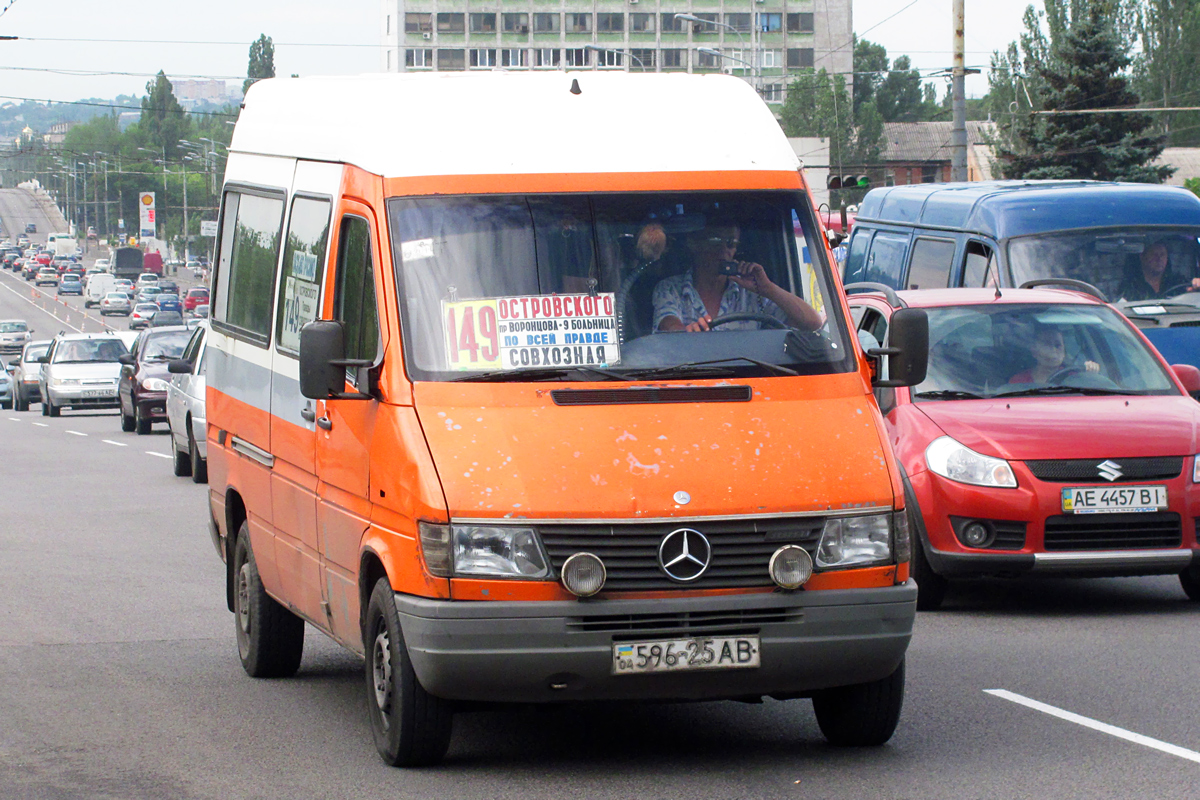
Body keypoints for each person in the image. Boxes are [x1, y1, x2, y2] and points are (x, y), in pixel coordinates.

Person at [652, 220, 822, 333]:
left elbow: (812, 323)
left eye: (731, 243)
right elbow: (668, 327)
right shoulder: (670, 288)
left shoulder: (752, 295)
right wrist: (687, 332)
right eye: (716, 240)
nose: (724, 249)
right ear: (694, 244)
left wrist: (768, 288)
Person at [1008, 324, 1099, 384]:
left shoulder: (1075, 378)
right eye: (1047, 344)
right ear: (1034, 351)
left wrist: (1091, 375)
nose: (1053, 350)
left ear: (1064, 351)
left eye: (1058, 345)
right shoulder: (1018, 382)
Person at [1117, 241, 1200, 301]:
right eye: (1154, 254)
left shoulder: (1178, 282)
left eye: (1162, 254)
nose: (1159, 259)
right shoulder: (1130, 286)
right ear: (1142, 257)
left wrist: (1196, 287)